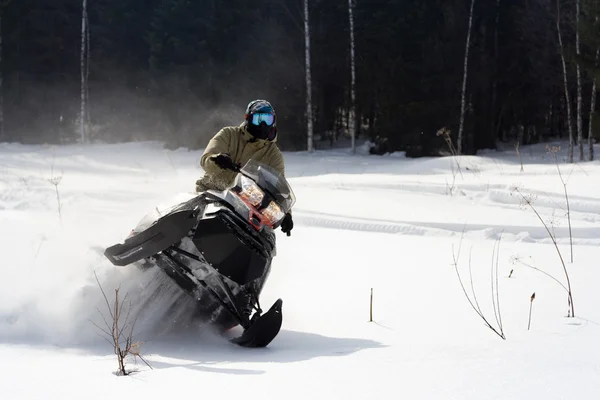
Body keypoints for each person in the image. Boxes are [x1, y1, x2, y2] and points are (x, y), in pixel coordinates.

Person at [195, 99, 293, 236]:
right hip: (211, 193)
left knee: (261, 236)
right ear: (248, 119)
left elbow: (279, 188)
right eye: (258, 119)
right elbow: (206, 159)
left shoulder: (273, 154)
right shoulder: (229, 134)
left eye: (268, 119)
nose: (263, 124)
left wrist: (286, 214)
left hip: (244, 208)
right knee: (191, 219)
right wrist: (217, 159)